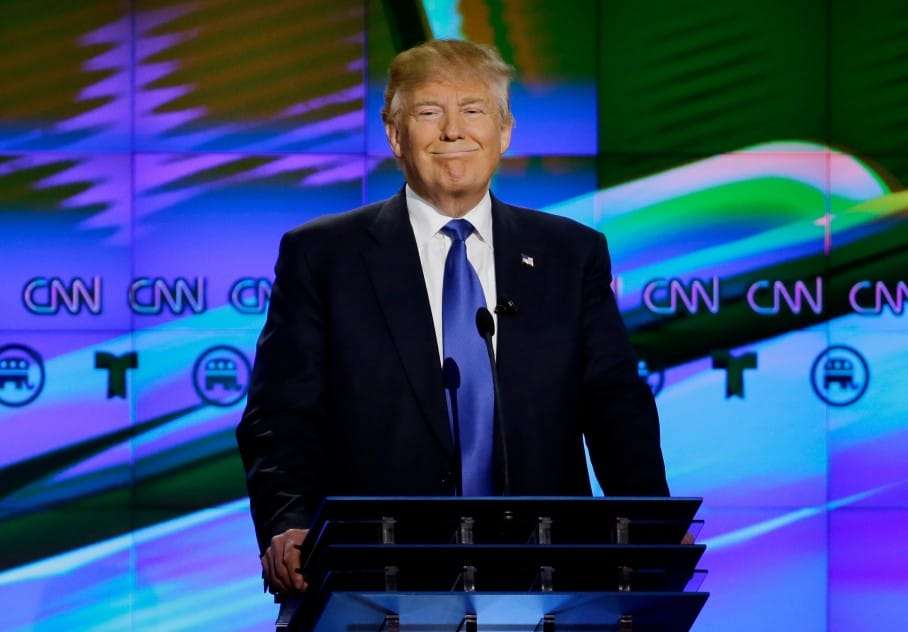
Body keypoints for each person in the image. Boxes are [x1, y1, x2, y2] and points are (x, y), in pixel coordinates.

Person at [236, 39, 669, 595]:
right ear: (395, 134)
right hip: (374, 578)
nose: (453, 131)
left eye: (473, 110)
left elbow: (615, 406)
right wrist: (287, 523)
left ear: (504, 131)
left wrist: (653, 525)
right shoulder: (324, 257)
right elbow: (280, 416)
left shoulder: (570, 254)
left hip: (544, 578)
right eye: (428, 112)